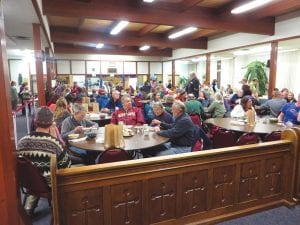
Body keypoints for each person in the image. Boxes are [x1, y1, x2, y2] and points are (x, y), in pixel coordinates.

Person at [17, 107, 71, 215]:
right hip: (50, 185)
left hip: (28, 184)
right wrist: (55, 139)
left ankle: (29, 207)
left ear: (35, 121)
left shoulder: (21, 142)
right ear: (52, 123)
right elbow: (66, 167)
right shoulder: (53, 144)